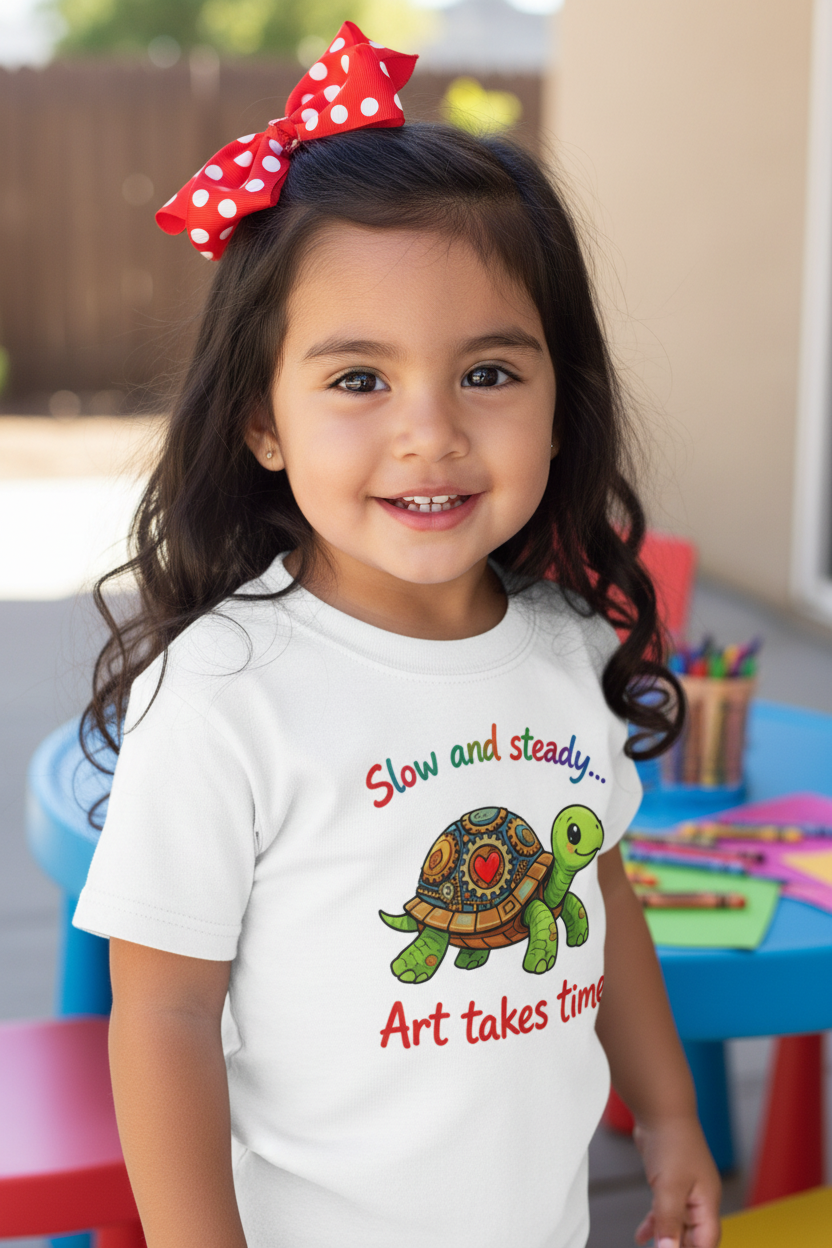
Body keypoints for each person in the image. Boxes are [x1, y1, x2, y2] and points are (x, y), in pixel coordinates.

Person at [73, 21, 721, 1248]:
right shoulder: (224, 691)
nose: (429, 434)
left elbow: (597, 887)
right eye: (358, 380)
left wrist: (671, 1111)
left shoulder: (566, 642)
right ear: (261, 421)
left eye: (487, 373)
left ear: (560, 401)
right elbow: (159, 1019)